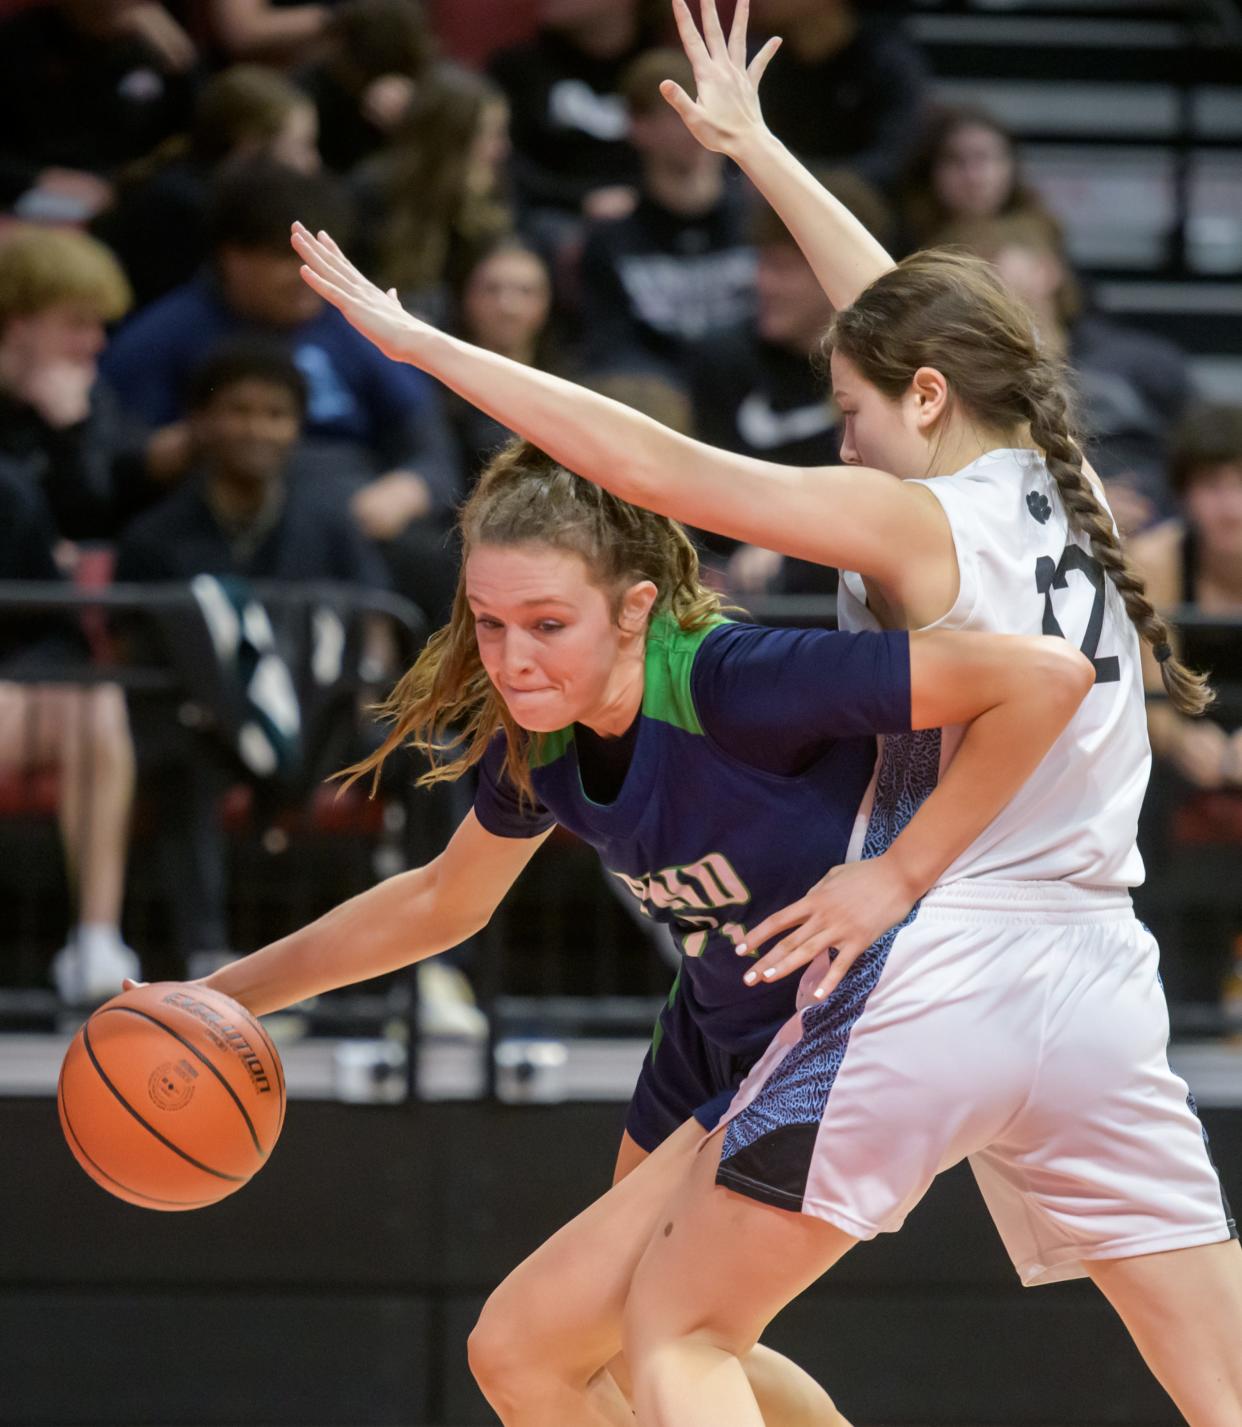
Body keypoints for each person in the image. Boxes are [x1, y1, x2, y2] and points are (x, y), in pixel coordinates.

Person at [285, 0, 1242, 1416]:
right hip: (1103, 974)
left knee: (672, 1334)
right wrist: (761, 151)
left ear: (921, 401)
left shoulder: (906, 516)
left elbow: (661, 469)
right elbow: (917, 324)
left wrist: (429, 349)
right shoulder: (1060, 475)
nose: (840, 434)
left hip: (939, 960)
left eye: (853, 410)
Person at [163, 433, 1092, 1426]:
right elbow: (444, 899)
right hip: (716, 1025)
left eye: (548, 622)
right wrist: (215, 998)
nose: (513, 658)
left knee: (562, 1344)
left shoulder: (735, 679)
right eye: (489, 623)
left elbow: (1043, 678)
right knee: (604, 1353)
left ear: (635, 607)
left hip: (847, 1022)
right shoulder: (541, 737)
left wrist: (897, 872)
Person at [112, 341, 389, 978]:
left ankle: (431, 972)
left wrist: (373, 699)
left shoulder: (330, 525)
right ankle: (207, 960)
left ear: (297, 428)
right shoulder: (153, 536)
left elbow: (375, 618)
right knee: (176, 767)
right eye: (237, 411)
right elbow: (129, 649)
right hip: (200, 726)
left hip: (319, 715)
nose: (256, 428)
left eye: (275, 414)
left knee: (432, 762)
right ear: (202, 424)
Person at [100, 157, 461, 621]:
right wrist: (171, 451)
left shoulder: (356, 330)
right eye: (286, 259)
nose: (306, 280)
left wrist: (406, 489)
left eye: (319, 261)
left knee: (447, 565)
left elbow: (430, 448)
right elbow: (110, 463)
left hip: (354, 527)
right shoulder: (165, 335)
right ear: (233, 257)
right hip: (222, 533)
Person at [687, 168, 893, 594]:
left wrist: (792, 544)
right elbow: (704, 495)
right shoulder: (722, 359)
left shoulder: (892, 371)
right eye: (762, 264)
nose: (764, 284)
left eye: (782, 268)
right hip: (736, 577)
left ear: (833, 272)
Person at [944, 211, 1188, 537]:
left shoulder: (1141, 361)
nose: (980, 279)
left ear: (1046, 270)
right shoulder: (971, 383)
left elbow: (1204, 452)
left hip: (1155, 528)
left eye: (992, 258)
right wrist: (1081, 504)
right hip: (1038, 536)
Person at [0, 469, 140, 1004]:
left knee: (96, 703)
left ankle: (96, 942)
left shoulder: (11, 493)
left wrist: (15, 689)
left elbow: (57, 635)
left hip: (12, 701)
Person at [1130, 405, 1242, 1008]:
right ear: (1185, 493)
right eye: (1213, 485)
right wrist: (1180, 740)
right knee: (1145, 787)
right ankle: (1180, 996)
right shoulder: (1157, 562)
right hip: (1184, 748)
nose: (1230, 506)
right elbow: (1150, 696)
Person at [577, 46, 757, 383]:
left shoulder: (761, 223)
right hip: (657, 405)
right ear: (638, 126)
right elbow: (609, 349)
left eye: (709, 111)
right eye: (679, 114)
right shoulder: (610, 237)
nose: (700, 127)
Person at [93, 64, 322, 308]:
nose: (313, 162)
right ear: (250, 145)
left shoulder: (224, 195)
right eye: (301, 146)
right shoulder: (181, 205)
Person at [0, 225, 147, 544]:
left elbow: (91, 524)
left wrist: (69, 433)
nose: (97, 342)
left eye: (100, 324)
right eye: (77, 324)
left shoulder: (92, 396)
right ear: (18, 322)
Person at [352, 64, 513, 323]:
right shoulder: (374, 191)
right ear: (450, 139)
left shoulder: (489, 192)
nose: (502, 148)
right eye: (489, 134)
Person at [747, 0, 927, 193]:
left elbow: (892, 159)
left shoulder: (887, 62)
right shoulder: (761, 64)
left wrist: (802, 178)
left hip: (865, 210)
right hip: (775, 203)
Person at [898, 103, 1061, 253]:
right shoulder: (903, 238)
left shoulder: (1043, 236)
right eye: (954, 160)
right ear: (930, 172)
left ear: (1010, 167)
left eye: (983, 158)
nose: (972, 176)